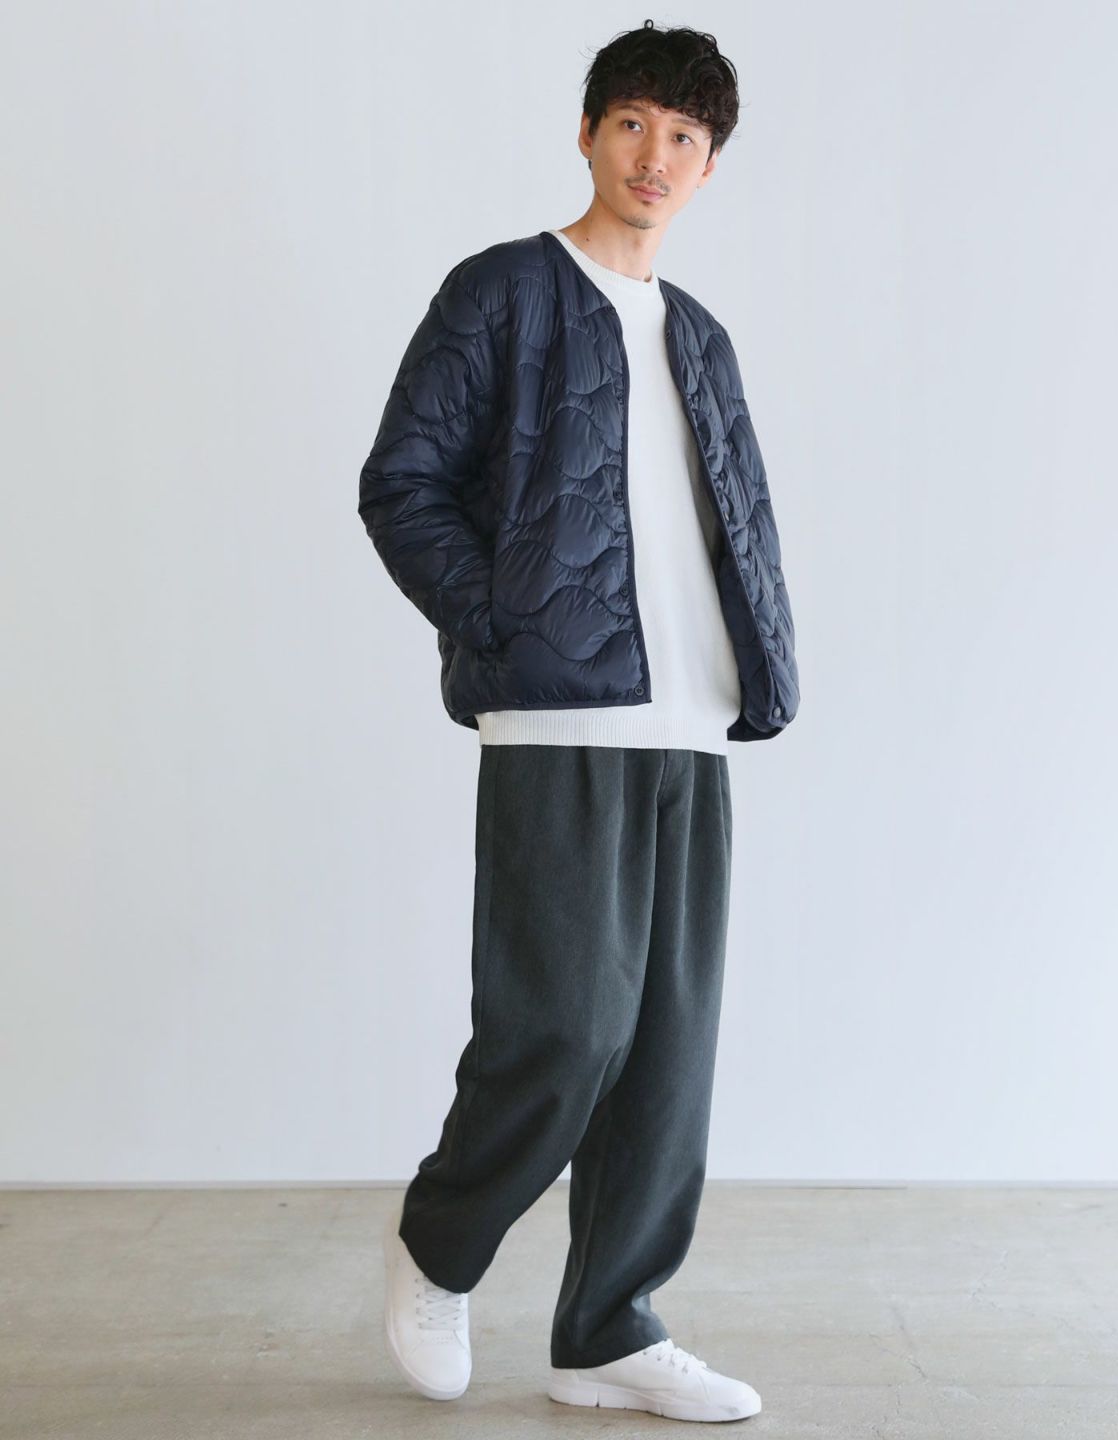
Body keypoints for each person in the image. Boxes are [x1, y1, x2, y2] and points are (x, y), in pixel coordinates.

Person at [359, 19, 799, 1424]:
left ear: (709, 165)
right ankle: (439, 1246)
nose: (654, 155)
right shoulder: (502, 291)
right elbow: (401, 481)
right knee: (563, 1030)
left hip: (692, 724)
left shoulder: (702, 338)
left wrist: (765, 668)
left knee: (665, 1055)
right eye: (632, 124)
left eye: (684, 137)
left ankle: (609, 1328)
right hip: (562, 722)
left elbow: (737, 523)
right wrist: (501, 630)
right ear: (590, 134)